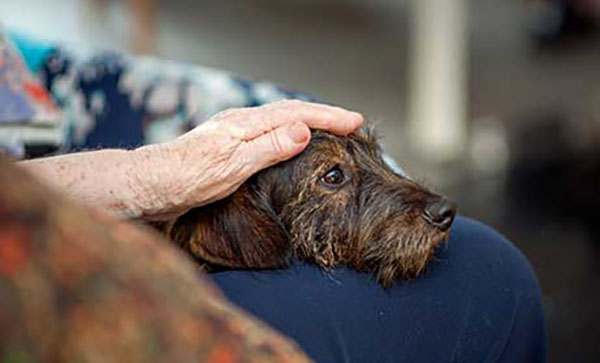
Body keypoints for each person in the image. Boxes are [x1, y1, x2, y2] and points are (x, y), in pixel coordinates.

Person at [16, 100, 546, 363]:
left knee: (488, 264)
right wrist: (149, 178)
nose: (429, 204)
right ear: (250, 233)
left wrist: (145, 177)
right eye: (334, 178)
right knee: (497, 277)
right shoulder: (237, 235)